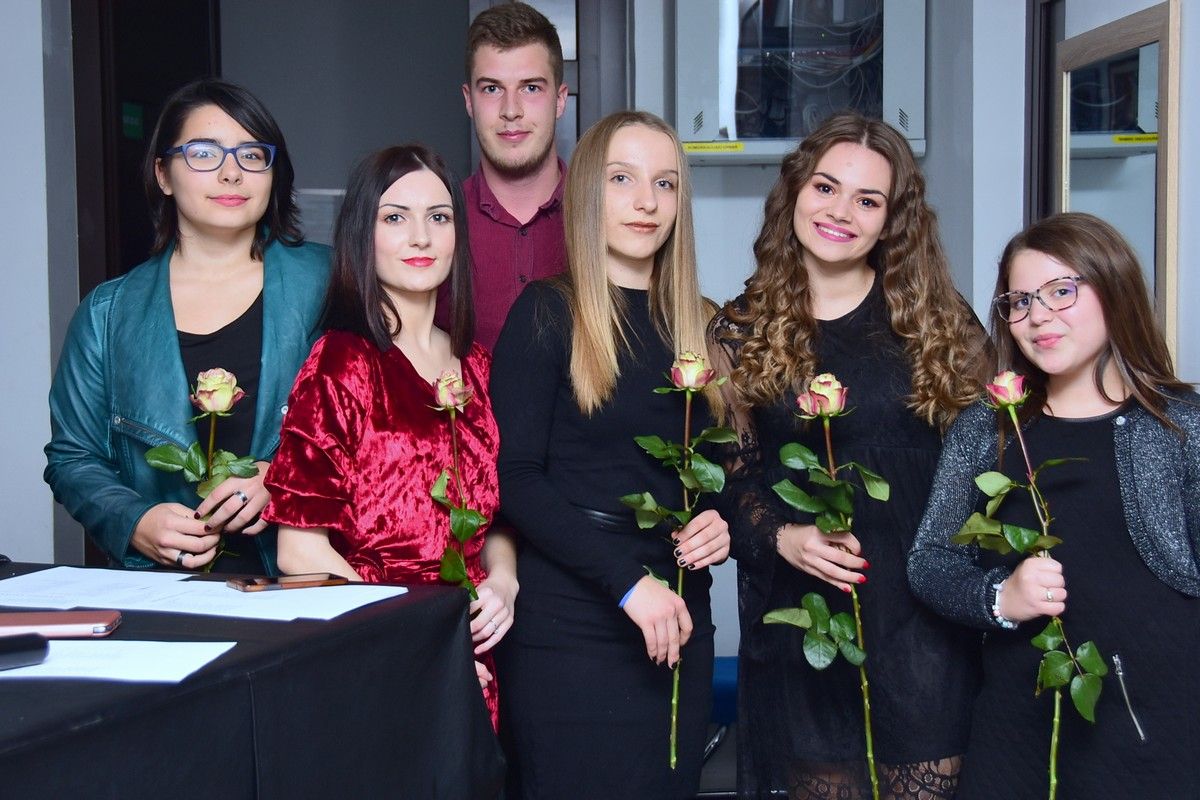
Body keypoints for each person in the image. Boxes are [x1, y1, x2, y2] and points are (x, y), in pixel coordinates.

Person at [708, 111, 993, 798]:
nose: (840, 212)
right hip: (806, 631)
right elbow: (729, 480)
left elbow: (992, 459)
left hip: (924, 630)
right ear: (795, 190)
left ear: (893, 220)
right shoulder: (740, 332)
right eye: (826, 187)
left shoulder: (938, 322)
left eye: (868, 200)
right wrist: (783, 536)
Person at [908, 212, 1199, 799]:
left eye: (1061, 291)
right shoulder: (985, 430)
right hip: (1020, 720)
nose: (1038, 316)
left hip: (1162, 719)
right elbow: (929, 561)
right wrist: (1000, 598)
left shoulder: (1181, 426)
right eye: (1019, 301)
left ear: (1114, 287)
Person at [490, 110, 731, 798]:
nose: (646, 201)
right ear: (588, 192)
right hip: (572, 625)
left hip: (680, 617)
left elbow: (729, 471)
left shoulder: (704, 323)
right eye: (622, 179)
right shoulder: (547, 313)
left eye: (665, 183)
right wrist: (627, 583)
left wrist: (722, 522)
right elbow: (515, 479)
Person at [261, 144, 518, 727]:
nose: (421, 237)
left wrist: (504, 582)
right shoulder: (342, 363)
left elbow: (498, 521)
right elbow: (299, 553)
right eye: (395, 217)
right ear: (363, 234)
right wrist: (420, 647)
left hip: (473, 660)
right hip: (379, 663)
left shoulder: (477, 366)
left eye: (439, 217)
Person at [45, 78, 330, 575]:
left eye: (252, 155)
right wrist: (135, 520)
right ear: (164, 174)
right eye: (203, 153)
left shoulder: (331, 283)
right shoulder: (107, 314)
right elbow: (73, 457)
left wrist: (286, 477)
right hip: (167, 590)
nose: (231, 173)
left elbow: (391, 429)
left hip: (305, 581)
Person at [452, 0, 569, 350]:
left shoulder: (605, 218)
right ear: (469, 100)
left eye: (531, 88)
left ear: (560, 100)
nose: (511, 110)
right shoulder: (437, 224)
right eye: (492, 88)